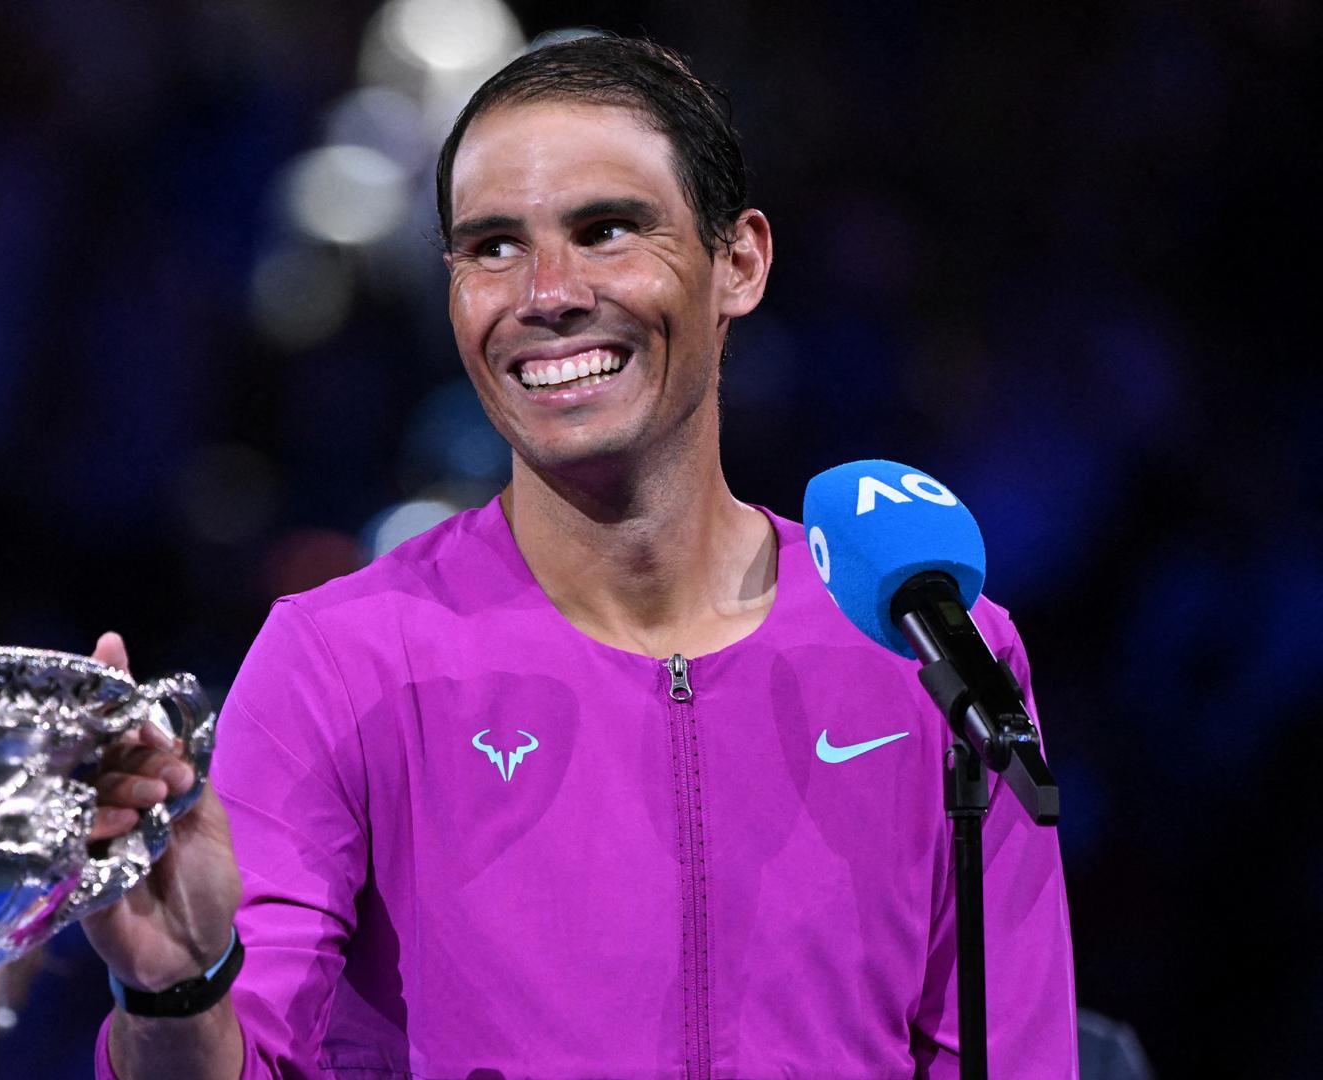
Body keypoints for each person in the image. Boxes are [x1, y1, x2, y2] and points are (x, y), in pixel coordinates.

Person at [82, 35, 1077, 1078]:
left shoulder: (932, 653)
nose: (545, 292)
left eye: (606, 231)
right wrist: (174, 990)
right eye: (493, 247)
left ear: (738, 262)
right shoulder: (339, 663)